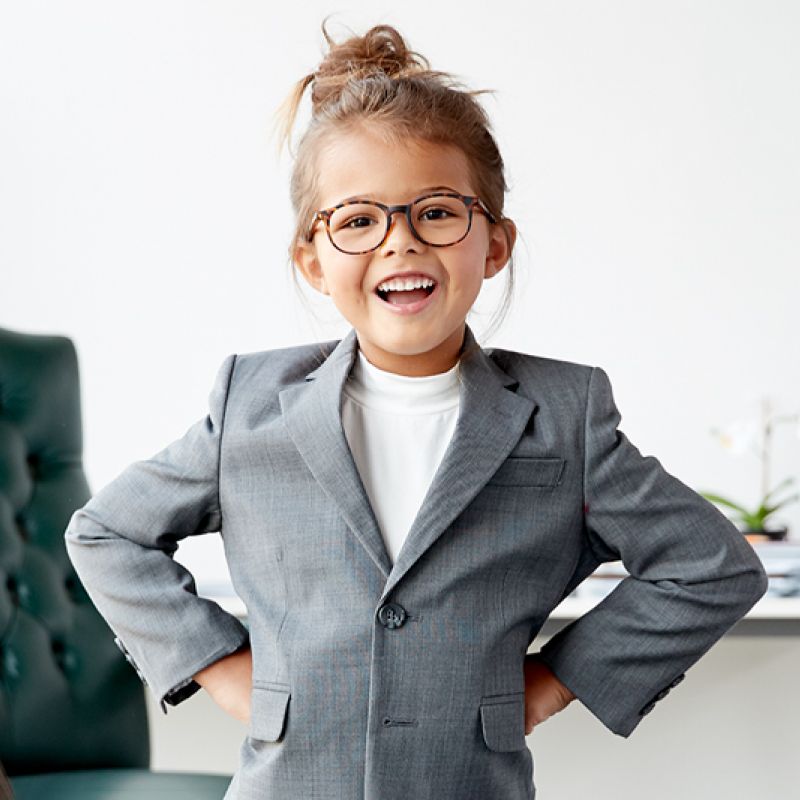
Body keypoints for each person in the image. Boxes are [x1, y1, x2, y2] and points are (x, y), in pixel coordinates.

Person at [64, 19, 769, 800]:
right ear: (312, 261)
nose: (399, 242)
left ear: (493, 244)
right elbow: (107, 532)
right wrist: (220, 666)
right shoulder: (250, 406)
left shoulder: (564, 416)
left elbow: (709, 566)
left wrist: (557, 680)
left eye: (435, 212)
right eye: (358, 220)